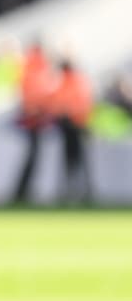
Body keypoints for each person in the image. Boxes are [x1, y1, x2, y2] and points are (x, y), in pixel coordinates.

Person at [13, 42, 57, 204]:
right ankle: (22, 192)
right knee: (33, 156)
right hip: (35, 119)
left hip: (33, 118)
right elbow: (40, 96)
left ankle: (23, 191)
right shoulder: (39, 71)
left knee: (32, 156)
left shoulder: (28, 68)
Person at [50, 59, 94, 204]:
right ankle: (82, 191)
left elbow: (61, 105)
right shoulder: (79, 81)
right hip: (78, 125)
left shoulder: (67, 82)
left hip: (72, 126)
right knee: (79, 161)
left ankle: (74, 191)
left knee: (72, 160)